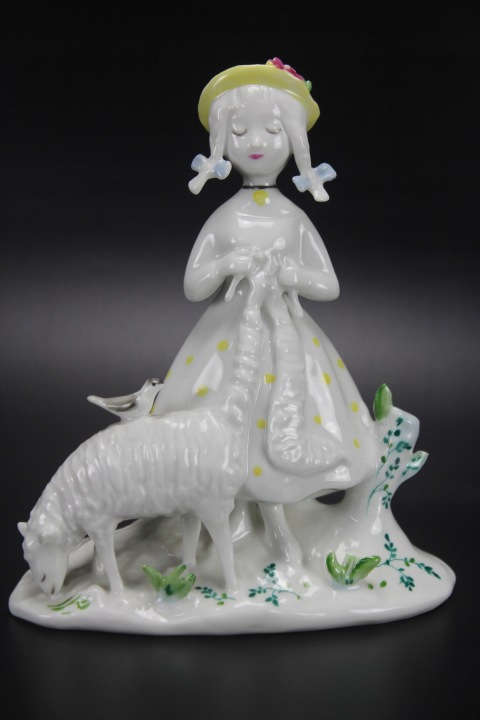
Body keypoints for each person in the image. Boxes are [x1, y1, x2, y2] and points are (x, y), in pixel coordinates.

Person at [153, 59, 377, 525]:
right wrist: (224, 264)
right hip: (226, 340)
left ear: (294, 139)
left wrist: (294, 274)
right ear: (221, 141)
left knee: (287, 410)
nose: (256, 143)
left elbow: (329, 285)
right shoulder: (225, 217)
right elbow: (193, 286)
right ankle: (229, 514)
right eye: (240, 131)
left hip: (286, 336)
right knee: (218, 418)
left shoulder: (293, 217)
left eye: (272, 130)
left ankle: (271, 515)